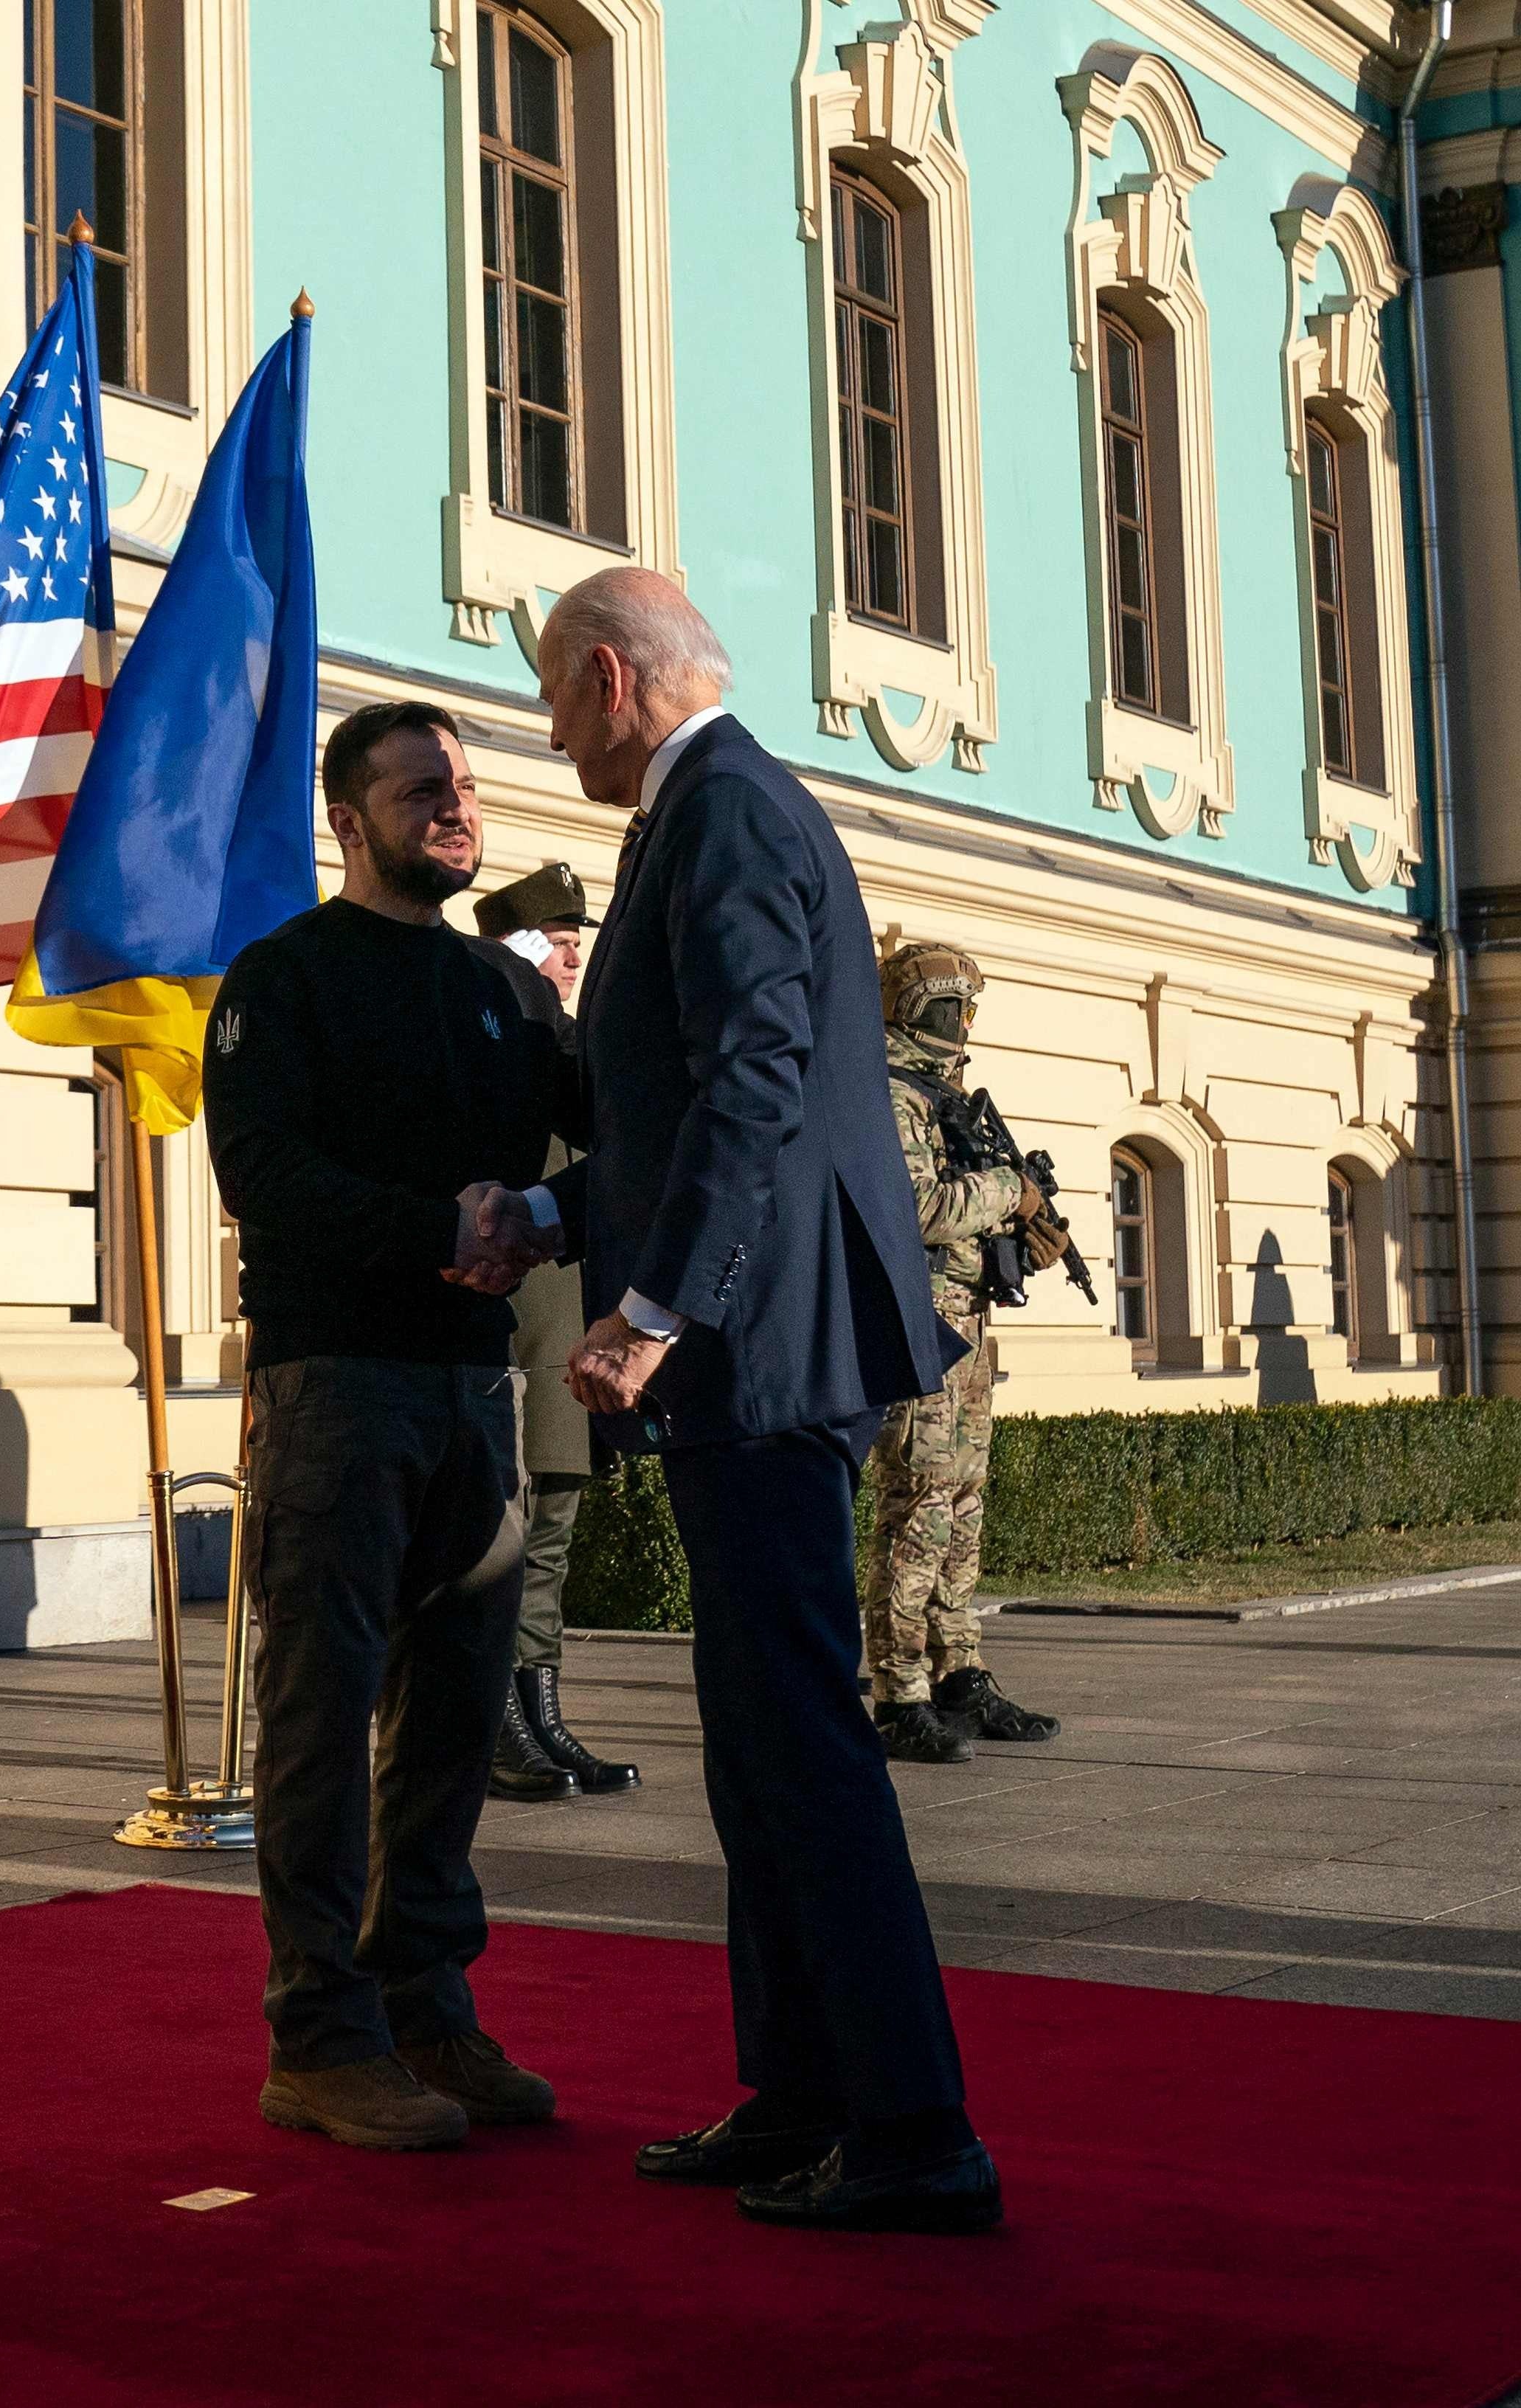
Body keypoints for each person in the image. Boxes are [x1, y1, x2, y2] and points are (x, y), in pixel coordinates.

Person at [465, 565, 1000, 2235]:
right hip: (751, 1338)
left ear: (613, 682)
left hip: (760, 1351)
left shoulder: (723, 817)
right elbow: (673, 1111)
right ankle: (799, 2097)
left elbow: (757, 1078)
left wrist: (648, 1311)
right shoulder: (708, 818)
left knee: (801, 1743)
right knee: (758, 1743)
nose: (554, 741)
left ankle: (914, 2134)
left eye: (557, 704)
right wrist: (556, 1220)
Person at [199, 698, 584, 2153]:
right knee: (318, 1714)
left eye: (465, 786)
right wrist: (447, 1227)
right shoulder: (284, 978)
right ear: (346, 819)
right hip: (336, 1386)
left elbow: (595, 1126)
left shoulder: (506, 993)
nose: (454, 807)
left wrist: (540, 1220)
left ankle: (427, 2006)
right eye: (421, 788)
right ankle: (323, 2037)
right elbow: (266, 1172)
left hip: (474, 1390)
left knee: (453, 1717)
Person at [867, 941, 1067, 1762]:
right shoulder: (886, 1092)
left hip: (969, 1319)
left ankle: (960, 1671)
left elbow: (978, 1200)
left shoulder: (944, 1093)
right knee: (918, 1505)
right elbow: (913, 1208)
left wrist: (1027, 1226)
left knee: (965, 1502)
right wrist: (1005, 1196)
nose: (959, 1019)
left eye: (965, 1006)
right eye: (944, 1006)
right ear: (910, 1009)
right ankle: (899, 1689)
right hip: (919, 1324)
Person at [473, 862, 635, 1799]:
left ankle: (542, 1715)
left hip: (575, 1319)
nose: (571, 953)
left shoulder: (578, 1039)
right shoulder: (499, 1031)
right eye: (553, 938)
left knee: (555, 1531)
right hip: (518, 1323)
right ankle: (496, 1722)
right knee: (507, 1531)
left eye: (576, 938)